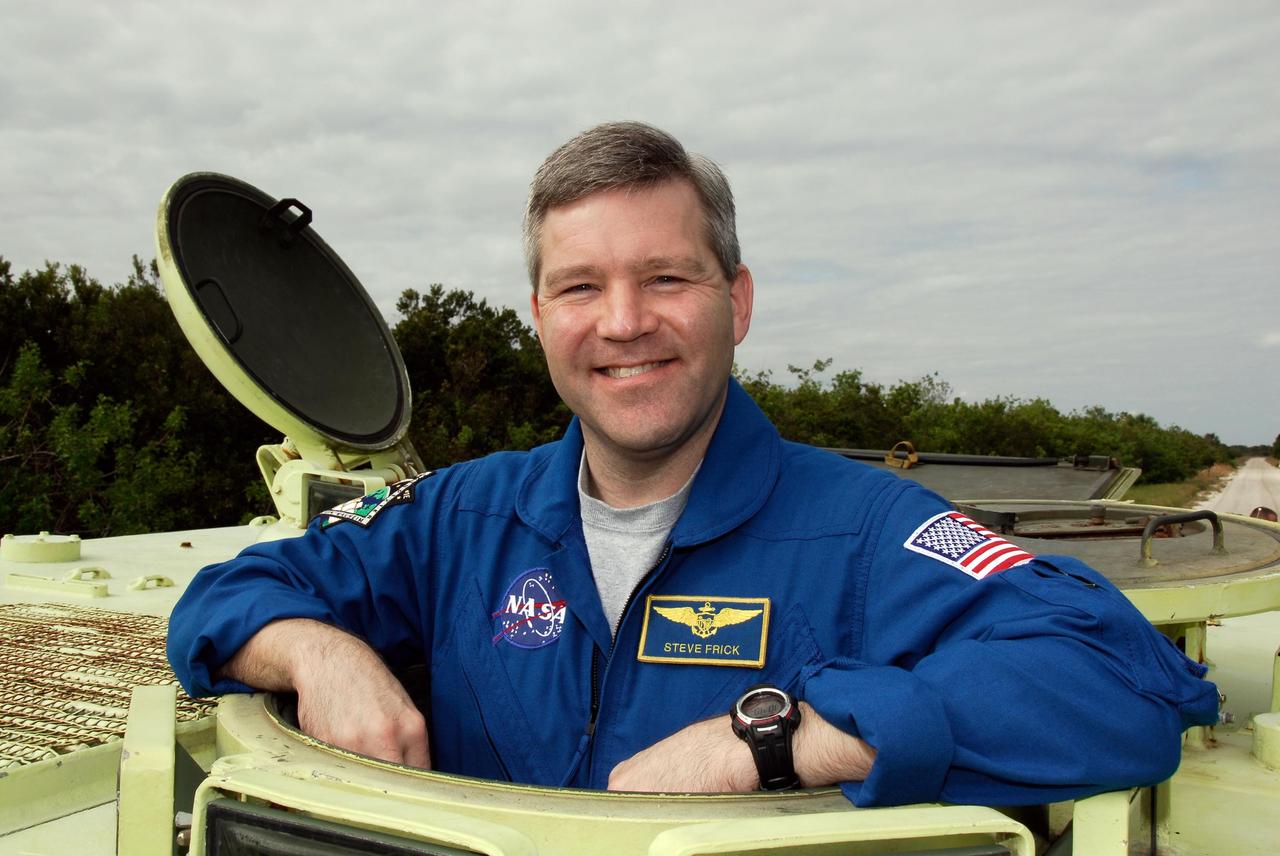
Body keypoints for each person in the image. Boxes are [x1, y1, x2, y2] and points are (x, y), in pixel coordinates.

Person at [167, 121, 1218, 807]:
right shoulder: (459, 518)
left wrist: (783, 739)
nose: (623, 322)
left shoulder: (865, 530)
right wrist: (318, 652)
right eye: (580, 287)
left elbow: (1119, 683)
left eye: (666, 277)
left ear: (737, 302)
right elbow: (225, 597)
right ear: (540, 318)